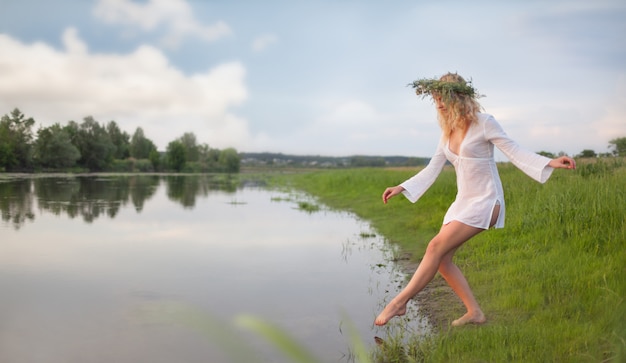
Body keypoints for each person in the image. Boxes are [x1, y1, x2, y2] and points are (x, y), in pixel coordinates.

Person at [374, 73, 576, 327]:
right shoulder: (447, 132)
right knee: (443, 261)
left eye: (443, 97)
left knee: (434, 248)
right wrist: (401, 186)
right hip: (462, 202)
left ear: (460, 96)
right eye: (435, 98)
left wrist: (550, 162)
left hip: (486, 201)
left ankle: (399, 302)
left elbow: (513, 150)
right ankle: (475, 312)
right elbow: (433, 167)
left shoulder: (484, 123)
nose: (438, 103)